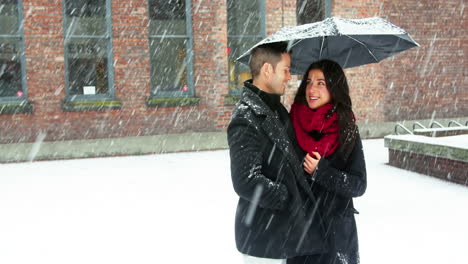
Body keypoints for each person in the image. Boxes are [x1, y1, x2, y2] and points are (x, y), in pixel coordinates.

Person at [227, 42, 328, 264]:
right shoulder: (246, 118)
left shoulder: (275, 109)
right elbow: (246, 181)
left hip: (283, 235)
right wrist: (287, 196)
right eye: (285, 69)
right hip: (263, 240)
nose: (289, 77)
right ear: (267, 70)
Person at [288, 60, 367, 264]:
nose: (312, 89)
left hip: (336, 236)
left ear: (334, 87)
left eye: (321, 83)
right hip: (301, 235)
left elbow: (358, 185)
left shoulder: (347, 129)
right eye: (308, 81)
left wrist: (322, 172)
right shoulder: (292, 124)